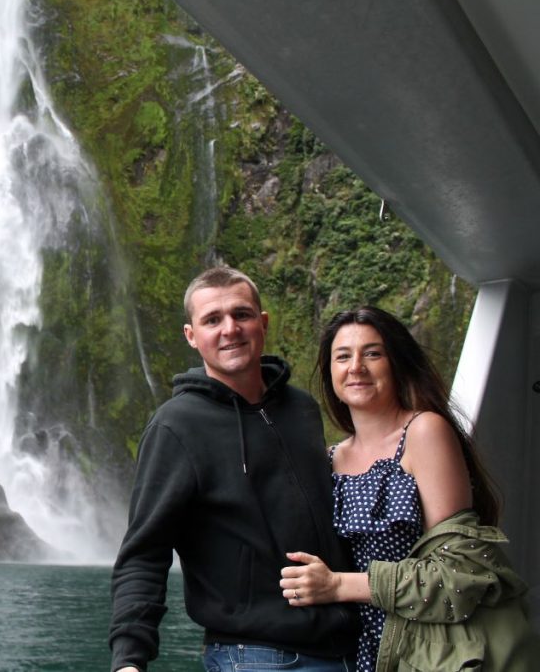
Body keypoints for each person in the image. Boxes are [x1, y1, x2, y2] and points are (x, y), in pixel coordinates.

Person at [109, 266, 358, 672]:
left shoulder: (302, 409)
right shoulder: (176, 426)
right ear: (192, 336)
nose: (230, 329)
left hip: (351, 646)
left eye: (241, 315)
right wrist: (129, 659)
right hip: (257, 656)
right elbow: (144, 551)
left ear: (262, 323)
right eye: (212, 319)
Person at [279, 306, 539, 671]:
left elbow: (460, 574)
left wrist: (339, 586)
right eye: (343, 356)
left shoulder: (424, 432)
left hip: (440, 649)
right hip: (370, 651)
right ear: (330, 373)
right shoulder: (330, 460)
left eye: (373, 353)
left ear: (396, 363)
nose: (356, 366)